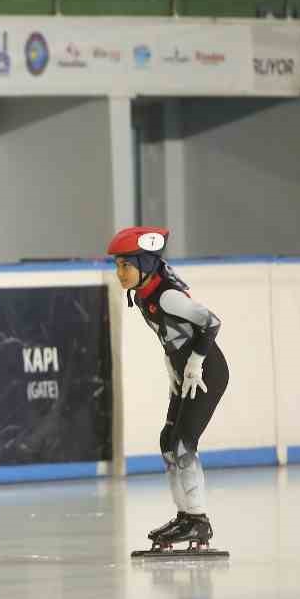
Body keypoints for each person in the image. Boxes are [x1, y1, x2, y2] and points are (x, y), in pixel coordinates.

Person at [107, 226, 228, 553]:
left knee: (184, 444)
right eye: (117, 266)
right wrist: (173, 365)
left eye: (125, 266)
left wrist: (195, 363)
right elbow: (171, 336)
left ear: (144, 265)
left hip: (206, 373)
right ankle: (185, 516)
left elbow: (211, 322)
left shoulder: (166, 295)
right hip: (185, 371)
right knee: (168, 442)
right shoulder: (147, 289)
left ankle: (198, 519)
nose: (120, 273)